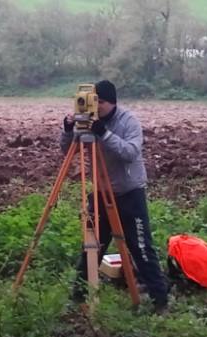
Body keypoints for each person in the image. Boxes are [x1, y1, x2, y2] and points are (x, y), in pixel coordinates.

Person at [61, 80, 169, 312]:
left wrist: (104, 133)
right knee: (92, 246)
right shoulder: (89, 120)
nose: (95, 107)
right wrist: (69, 130)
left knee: (141, 247)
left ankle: (160, 300)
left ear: (111, 102)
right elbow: (68, 150)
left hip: (129, 193)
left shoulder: (128, 121)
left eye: (99, 102)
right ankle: (78, 296)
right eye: (93, 101)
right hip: (101, 192)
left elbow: (130, 153)